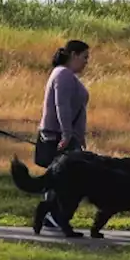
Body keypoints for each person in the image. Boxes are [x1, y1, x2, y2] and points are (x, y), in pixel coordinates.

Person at [35, 40, 91, 231]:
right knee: (64, 178)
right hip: (58, 136)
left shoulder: (65, 75)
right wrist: (67, 134)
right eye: (84, 57)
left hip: (65, 135)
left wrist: (79, 135)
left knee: (61, 178)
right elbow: (62, 106)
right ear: (73, 55)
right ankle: (53, 215)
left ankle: (53, 215)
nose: (86, 62)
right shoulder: (63, 74)